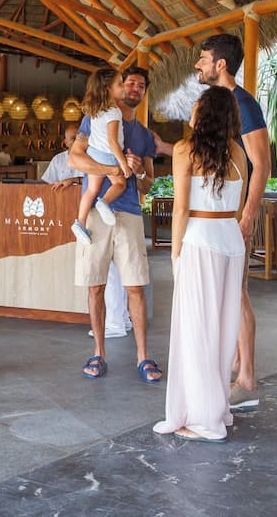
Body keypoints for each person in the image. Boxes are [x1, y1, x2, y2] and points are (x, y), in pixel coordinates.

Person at [153, 86, 248, 443]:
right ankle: (215, 410)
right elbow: (238, 208)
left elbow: (180, 208)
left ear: (204, 113)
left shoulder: (185, 149)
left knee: (196, 330)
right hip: (230, 241)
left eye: (195, 106)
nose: (191, 111)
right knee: (222, 329)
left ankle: (204, 420)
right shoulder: (238, 152)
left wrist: (175, 254)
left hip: (199, 240)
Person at [68, 66, 161, 382]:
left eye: (141, 85)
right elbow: (74, 159)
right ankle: (98, 352)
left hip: (130, 212)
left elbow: (147, 183)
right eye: (130, 82)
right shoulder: (93, 117)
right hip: (96, 212)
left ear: (144, 92)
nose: (135, 88)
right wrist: (112, 169)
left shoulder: (144, 135)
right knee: (95, 286)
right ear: (119, 87)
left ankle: (143, 356)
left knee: (135, 286)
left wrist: (138, 170)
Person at [196, 34, 270, 412]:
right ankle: (238, 367)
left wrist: (248, 214)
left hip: (234, 217)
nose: (198, 65)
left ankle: (248, 381)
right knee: (230, 295)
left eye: (203, 59)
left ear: (220, 64)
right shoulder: (219, 105)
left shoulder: (243, 104)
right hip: (218, 216)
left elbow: (262, 163)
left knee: (237, 295)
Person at [41, 124, 131, 339]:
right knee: (108, 270)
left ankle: (117, 321)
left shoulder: (98, 153)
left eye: (78, 137)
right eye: (72, 138)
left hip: (103, 212)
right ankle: (119, 319)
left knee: (112, 270)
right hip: (89, 212)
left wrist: (74, 180)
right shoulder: (60, 159)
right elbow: (46, 185)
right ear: (65, 141)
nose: (75, 141)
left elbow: (95, 177)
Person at [72, 68, 133, 245]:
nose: (123, 87)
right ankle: (104, 202)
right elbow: (112, 142)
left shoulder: (95, 110)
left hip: (93, 154)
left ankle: (80, 222)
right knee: (120, 184)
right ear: (108, 89)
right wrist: (123, 164)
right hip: (108, 155)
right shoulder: (114, 112)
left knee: (91, 190)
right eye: (120, 84)